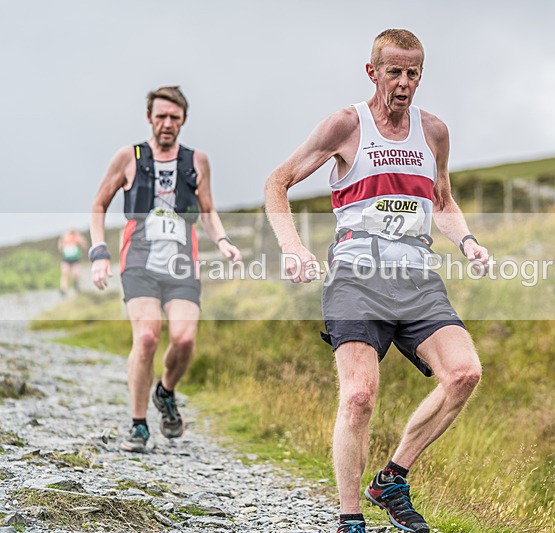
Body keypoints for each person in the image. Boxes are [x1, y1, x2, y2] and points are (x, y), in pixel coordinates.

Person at [265, 29, 489, 533]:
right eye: (394, 72)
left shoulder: (434, 132)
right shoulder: (346, 126)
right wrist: (293, 247)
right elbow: (277, 182)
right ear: (373, 72)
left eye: (413, 73)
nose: (404, 83)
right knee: (359, 396)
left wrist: (468, 241)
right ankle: (350, 518)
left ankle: (392, 479)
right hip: (356, 278)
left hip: (416, 278)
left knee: (464, 373)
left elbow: (442, 201)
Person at [89, 86, 241, 453]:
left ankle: (166, 391)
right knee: (146, 338)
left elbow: (207, 210)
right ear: (149, 118)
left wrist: (222, 240)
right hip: (138, 260)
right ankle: (139, 425)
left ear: (183, 120)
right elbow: (99, 204)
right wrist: (99, 252)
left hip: (182, 262)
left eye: (174, 117)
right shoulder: (129, 157)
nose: (167, 123)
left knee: (184, 339)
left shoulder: (197, 161)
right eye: (161, 117)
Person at [58, 229, 88, 294]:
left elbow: (85, 246)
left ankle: (76, 287)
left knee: (76, 274)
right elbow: (60, 249)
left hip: (75, 259)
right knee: (65, 274)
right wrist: (61, 242)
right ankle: (63, 289)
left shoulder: (78, 238)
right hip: (66, 259)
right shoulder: (65, 239)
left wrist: (81, 241)